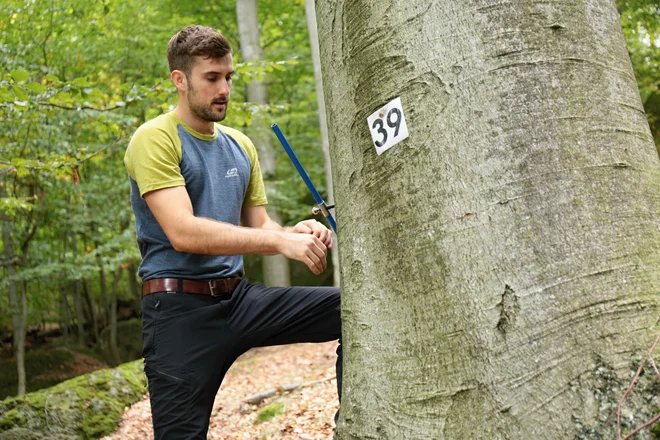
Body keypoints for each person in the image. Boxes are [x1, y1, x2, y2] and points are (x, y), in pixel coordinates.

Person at [123, 24, 342, 439]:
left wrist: (296, 232)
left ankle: (356, 425)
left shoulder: (240, 145)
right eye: (211, 78)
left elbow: (261, 226)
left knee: (352, 310)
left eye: (228, 77)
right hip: (177, 312)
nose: (223, 88)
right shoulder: (154, 139)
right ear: (179, 79)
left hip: (240, 298)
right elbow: (184, 232)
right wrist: (279, 241)